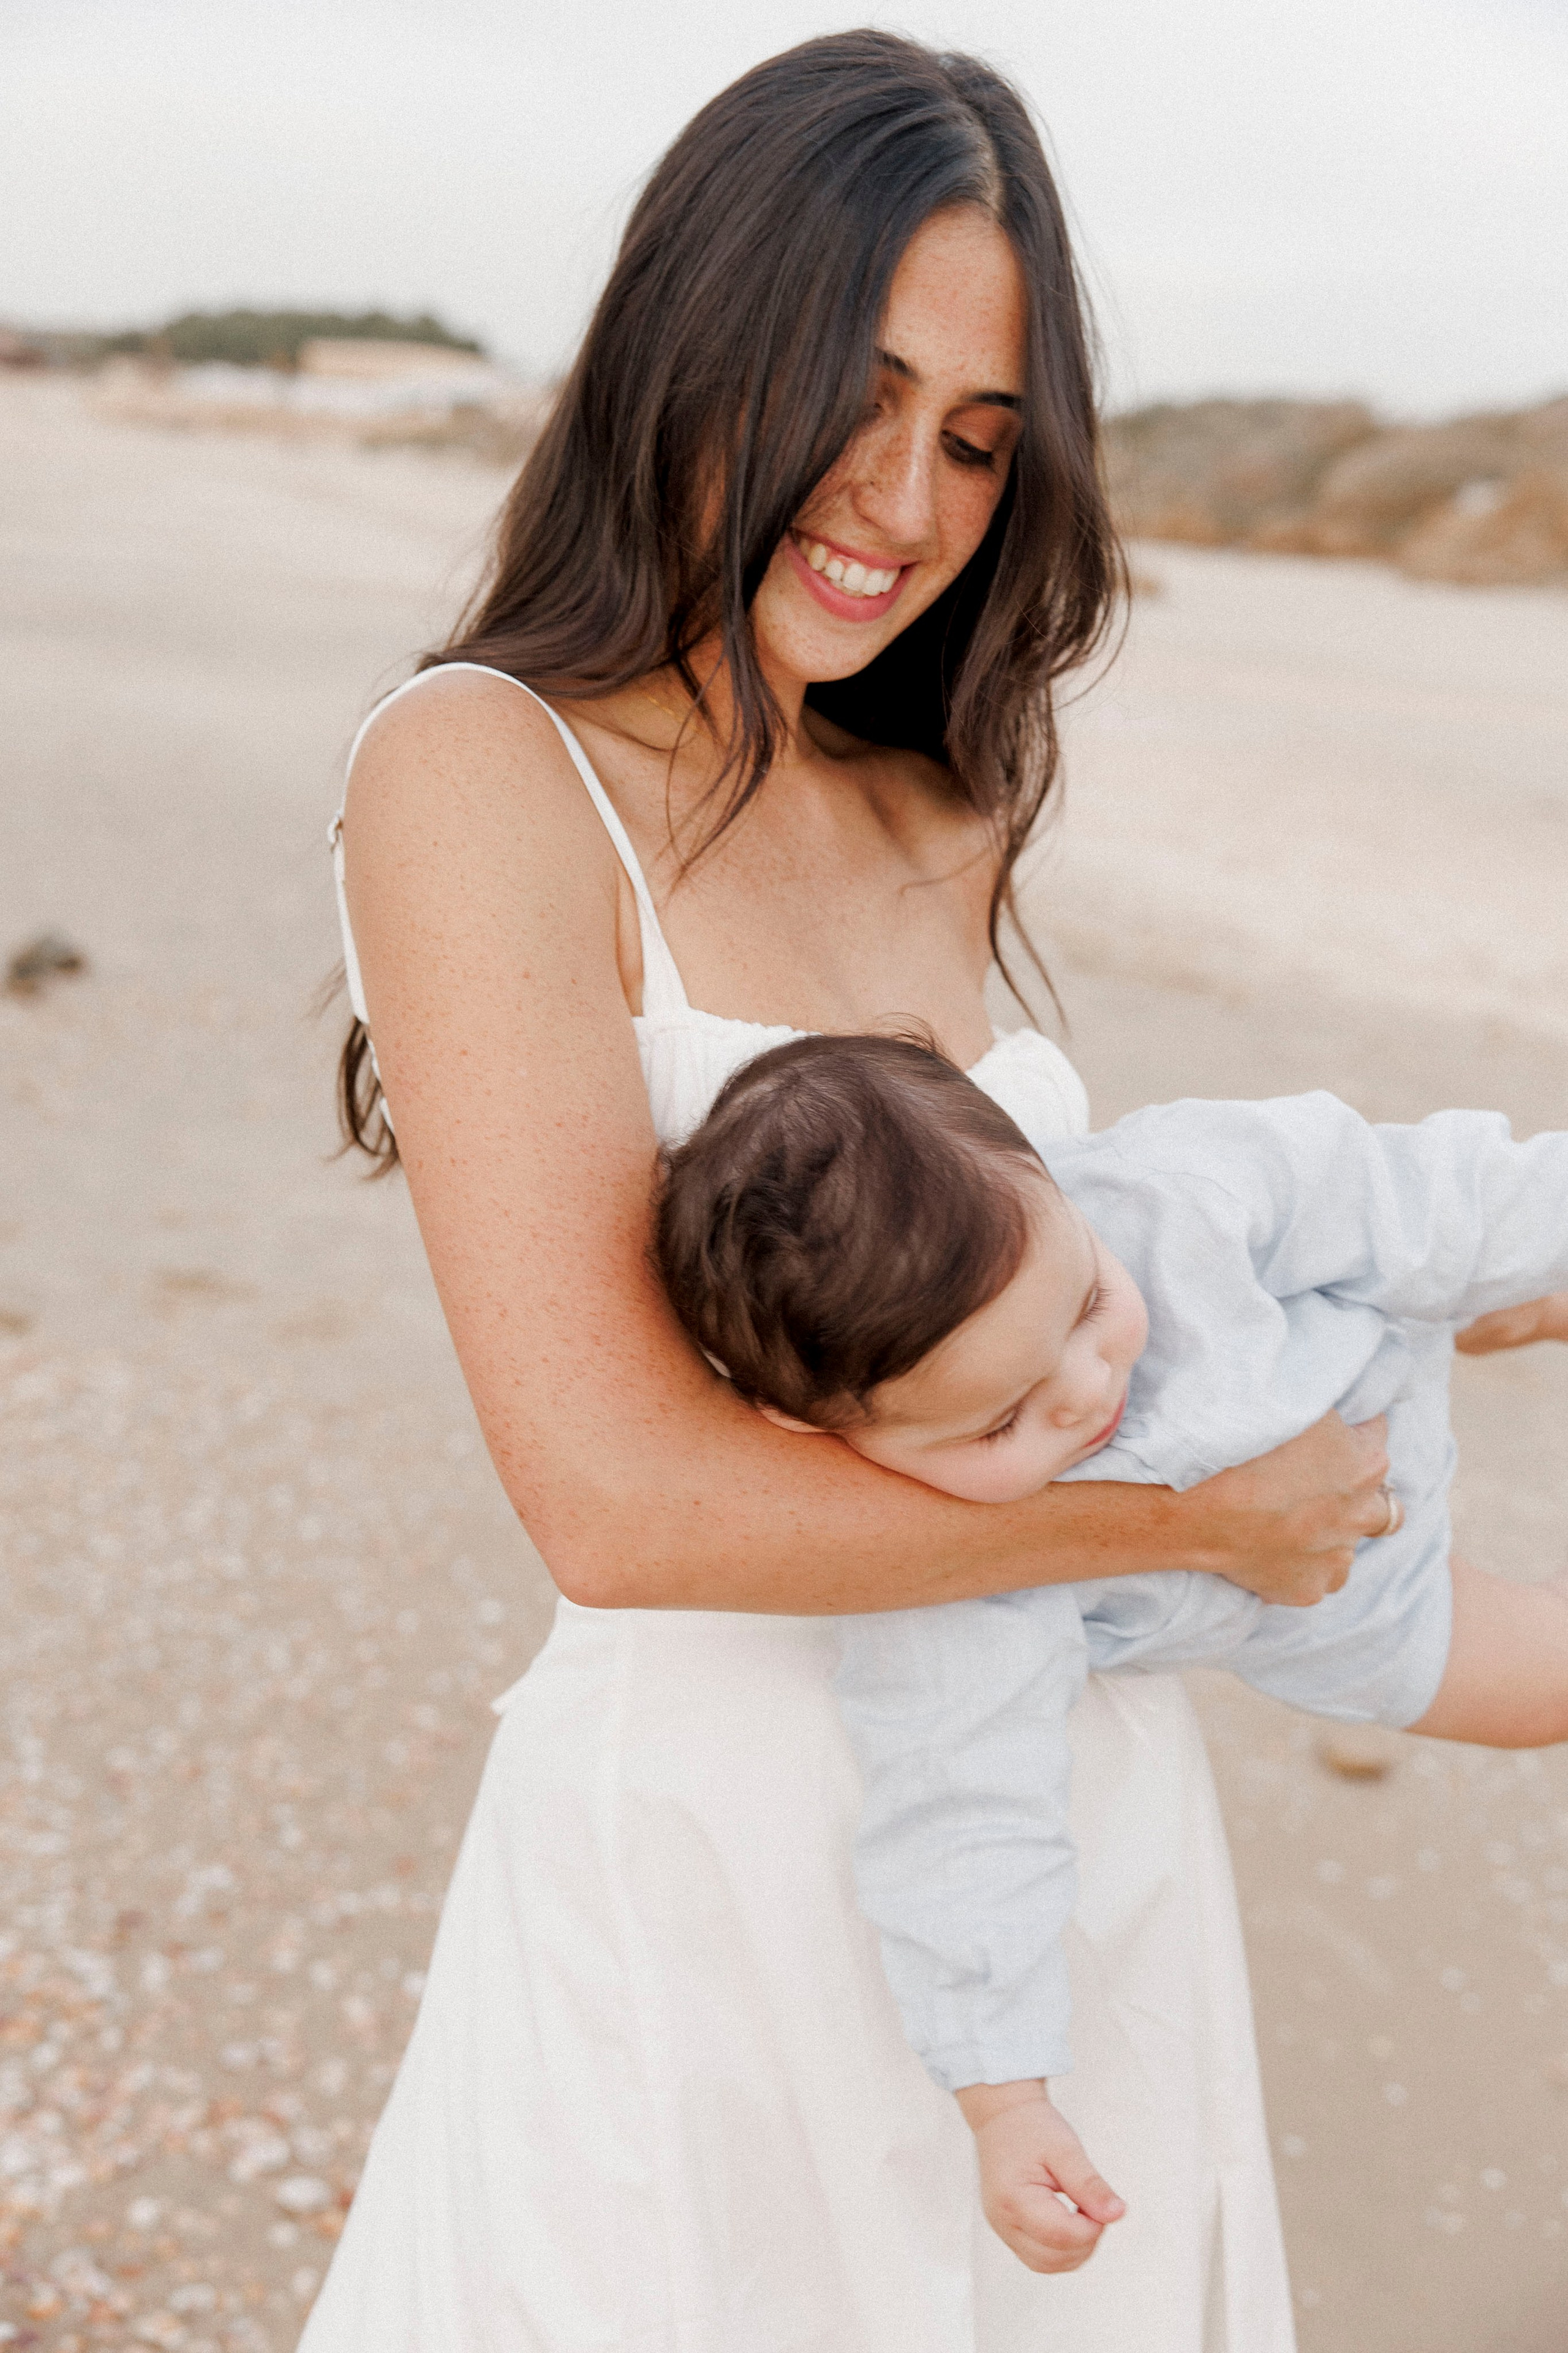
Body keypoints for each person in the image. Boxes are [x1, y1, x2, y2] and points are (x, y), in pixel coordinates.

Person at [295, 31, 1512, 2351]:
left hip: (1070, 1858)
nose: (908, 499)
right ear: (691, 342)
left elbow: (1052, 1281)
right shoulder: (483, 770)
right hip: (724, 1873)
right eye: (853, 399)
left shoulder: (939, 801)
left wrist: (1449, 1283)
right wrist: (1196, 1526)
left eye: (976, 436)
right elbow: (616, 1503)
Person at [652, 1030, 1568, 2273]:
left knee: (1458, 1235)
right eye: (1002, 1421)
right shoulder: (945, 1584)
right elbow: (963, 1815)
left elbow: (1392, 1185)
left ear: (1048, 1177)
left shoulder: (1176, 1192)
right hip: (1338, 1603)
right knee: (1536, 1690)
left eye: (1086, 1304)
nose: (1086, 1390)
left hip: (1341, 1343)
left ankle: (1531, 1293)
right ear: (819, 1436)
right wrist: (1005, 2099)